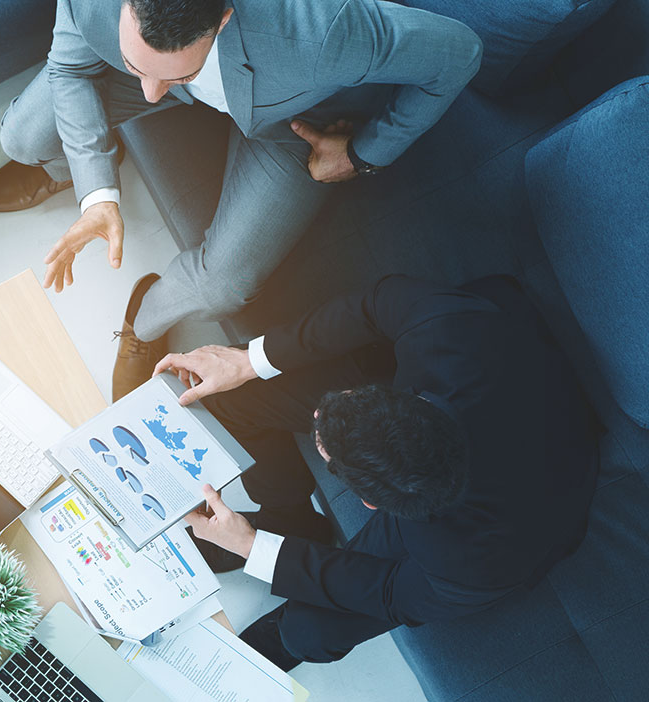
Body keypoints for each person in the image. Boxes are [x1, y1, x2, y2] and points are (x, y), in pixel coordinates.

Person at [0, 0, 482, 399]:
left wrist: (363, 153)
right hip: (211, 69)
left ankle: (144, 323)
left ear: (221, 23)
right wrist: (98, 193)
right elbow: (70, 71)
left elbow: (459, 52)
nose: (149, 94)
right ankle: (85, 164)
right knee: (22, 139)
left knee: (222, 288)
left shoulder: (330, 33)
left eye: (178, 74)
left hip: (293, 117)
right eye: (135, 65)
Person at [155, 274, 599, 670]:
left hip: (535, 488)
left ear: (371, 503)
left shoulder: (471, 561)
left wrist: (252, 547)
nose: (315, 414)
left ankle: (277, 638)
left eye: (324, 449)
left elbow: (390, 594)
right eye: (343, 400)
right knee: (229, 393)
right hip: (494, 376)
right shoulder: (444, 328)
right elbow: (374, 304)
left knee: (311, 629)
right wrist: (247, 361)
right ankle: (289, 519)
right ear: (403, 398)